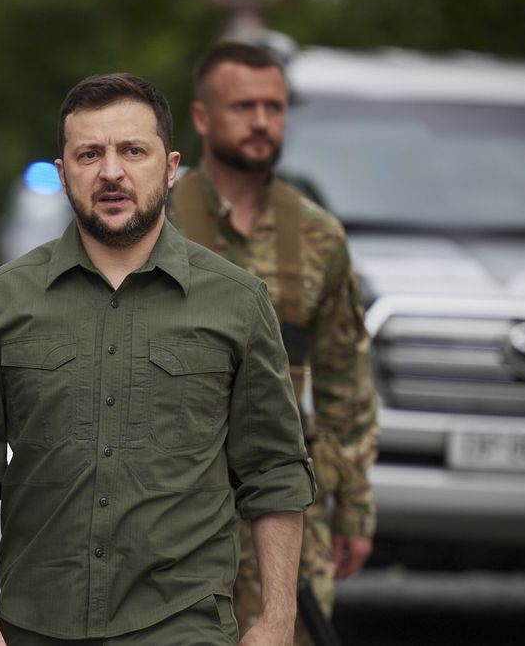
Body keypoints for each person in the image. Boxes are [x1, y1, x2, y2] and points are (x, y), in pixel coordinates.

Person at [0, 73, 316, 646]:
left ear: (170, 167)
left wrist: (278, 620)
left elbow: (274, 470)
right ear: (63, 175)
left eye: (133, 151)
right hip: (37, 624)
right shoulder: (3, 299)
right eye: (89, 154)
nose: (111, 172)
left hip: (182, 623)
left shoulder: (236, 301)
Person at [168, 41, 378, 645]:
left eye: (274, 107)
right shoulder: (155, 220)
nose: (262, 122)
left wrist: (355, 505)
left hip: (285, 505)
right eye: (244, 107)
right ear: (202, 117)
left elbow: (344, 376)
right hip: (171, 502)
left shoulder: (316, 234)